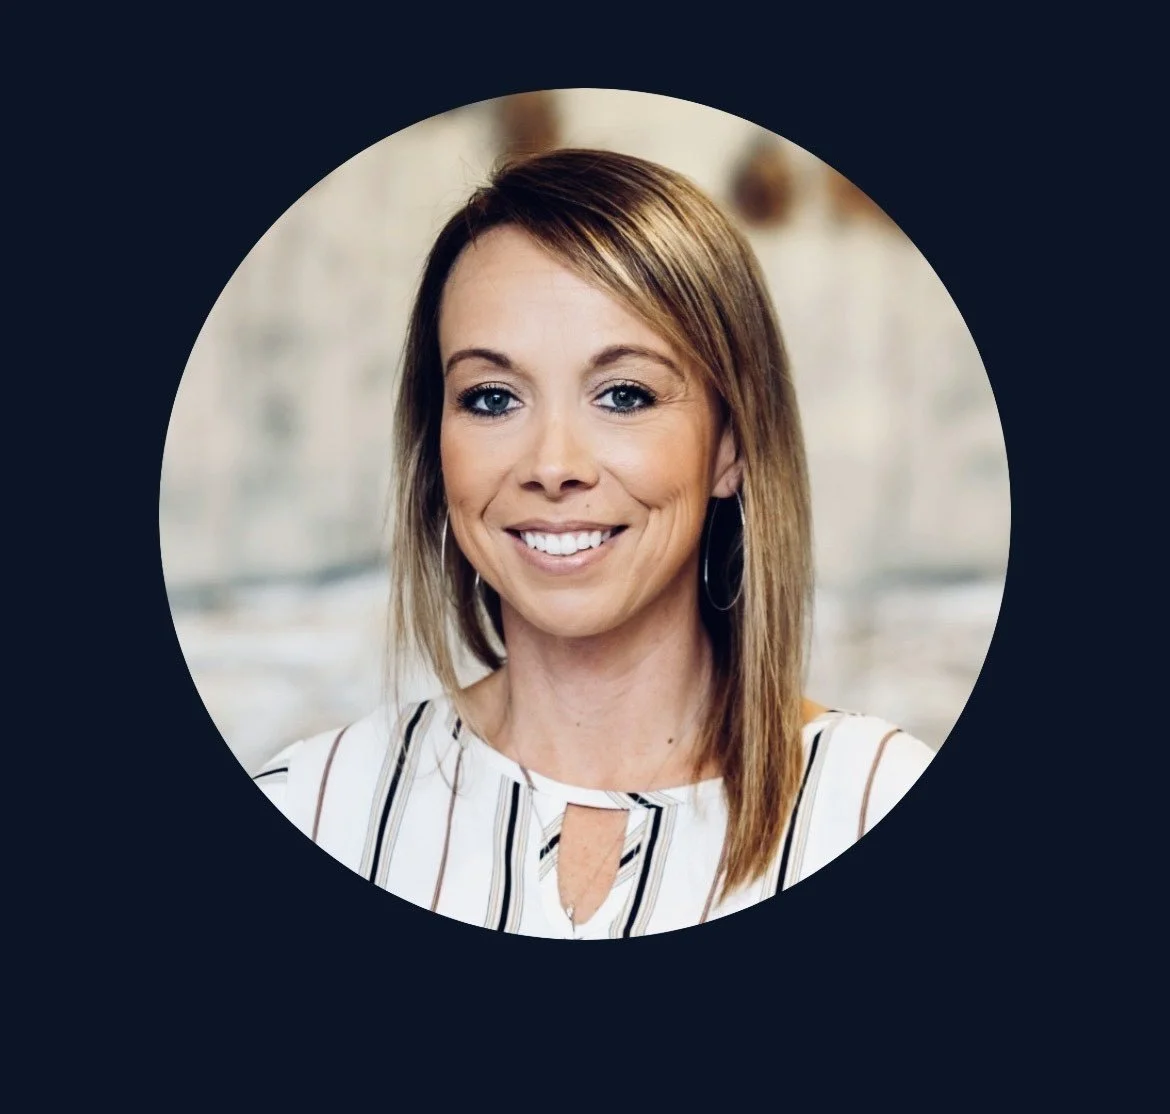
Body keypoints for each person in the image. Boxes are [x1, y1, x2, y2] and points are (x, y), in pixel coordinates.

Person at [252, 147, 936, 939]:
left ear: (731, 447)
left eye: (624, 394)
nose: (552, 466)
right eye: (492, 397)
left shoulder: (877, 800)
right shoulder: (313, 803)